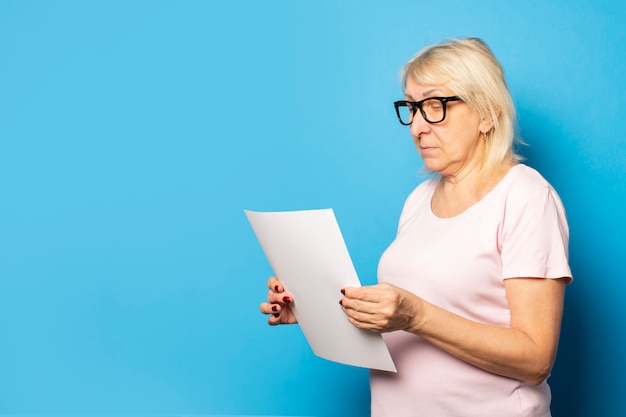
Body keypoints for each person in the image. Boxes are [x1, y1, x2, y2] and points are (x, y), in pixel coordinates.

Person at [259, 37, 572, 417]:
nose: (417, 127)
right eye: (411, 108)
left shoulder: (525, 196)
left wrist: (417, 316)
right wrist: (313, 308)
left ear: (488, 113)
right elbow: (402, 322)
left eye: (435, 106)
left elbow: (535, 358)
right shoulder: (419, 200)